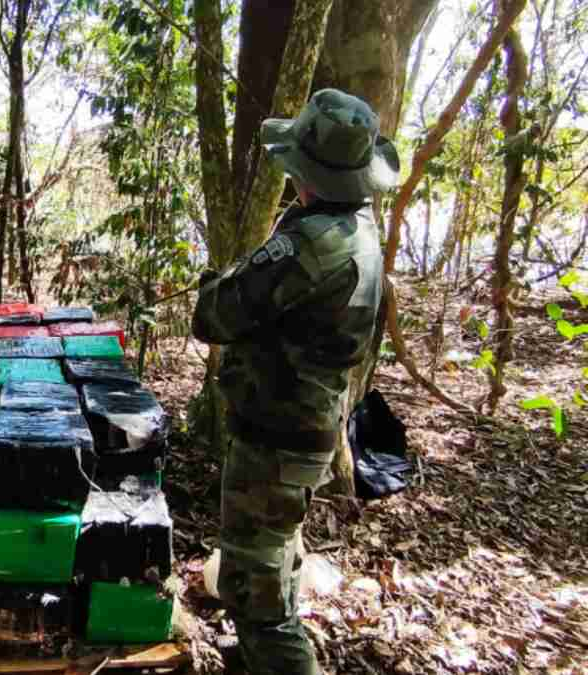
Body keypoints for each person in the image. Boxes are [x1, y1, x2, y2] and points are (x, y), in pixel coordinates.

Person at [192, 89, 400, 675]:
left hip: (278, 437)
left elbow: (216, 315)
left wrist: (221, 278)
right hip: (305, 428)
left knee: (260, 602)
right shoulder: (358, 229)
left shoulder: (312, 245)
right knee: (267, 567)